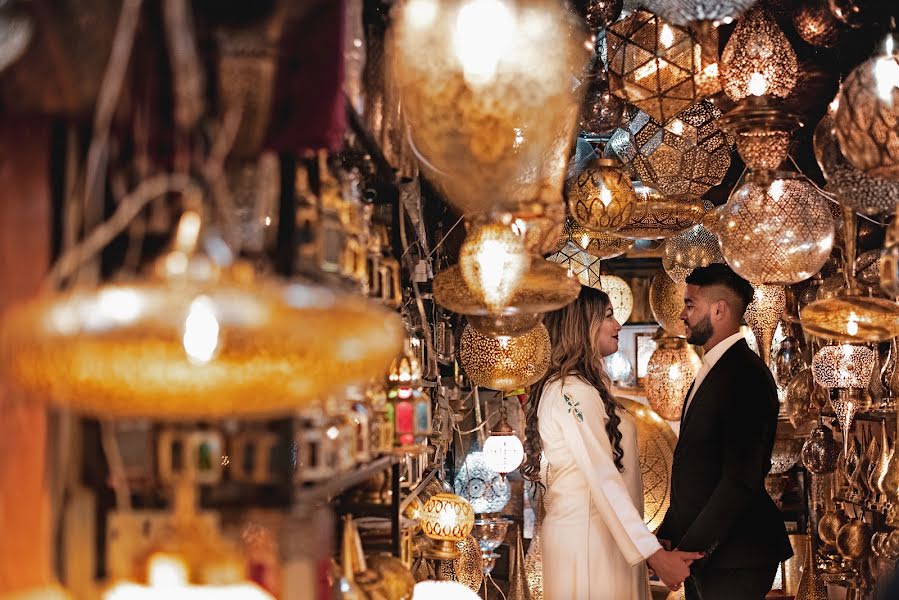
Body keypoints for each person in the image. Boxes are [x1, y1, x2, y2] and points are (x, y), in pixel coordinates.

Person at [522, 286, 702, 599]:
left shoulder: (586, 388)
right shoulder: (571, 391)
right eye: (608, 316)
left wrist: (645, 543)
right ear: (581, 325)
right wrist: (653, 555)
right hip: (588, 541)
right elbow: (603, 478)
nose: (618, 325)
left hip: (608, 538)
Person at [656, 264, 793, 600]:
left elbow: (739, 478)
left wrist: (689, 551)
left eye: (690, 304)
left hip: (736, 554)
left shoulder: (746, 375)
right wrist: (669, 534)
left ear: (719, 310)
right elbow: (698, 467)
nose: (682, 314)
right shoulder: (714, 368)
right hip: (711, 554)